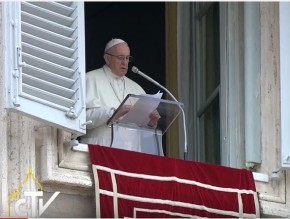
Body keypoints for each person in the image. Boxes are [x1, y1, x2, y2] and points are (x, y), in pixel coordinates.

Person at [80, 38, 160, 148]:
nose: (125, 62)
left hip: (131, 151)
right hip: (100, 148)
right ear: (107, 58)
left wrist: (151, 122)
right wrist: (111, 113)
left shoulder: (136, 88)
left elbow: (143, 131)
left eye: (127, 58)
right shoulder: (89, 79)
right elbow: (80, 119)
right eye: (120, 58)